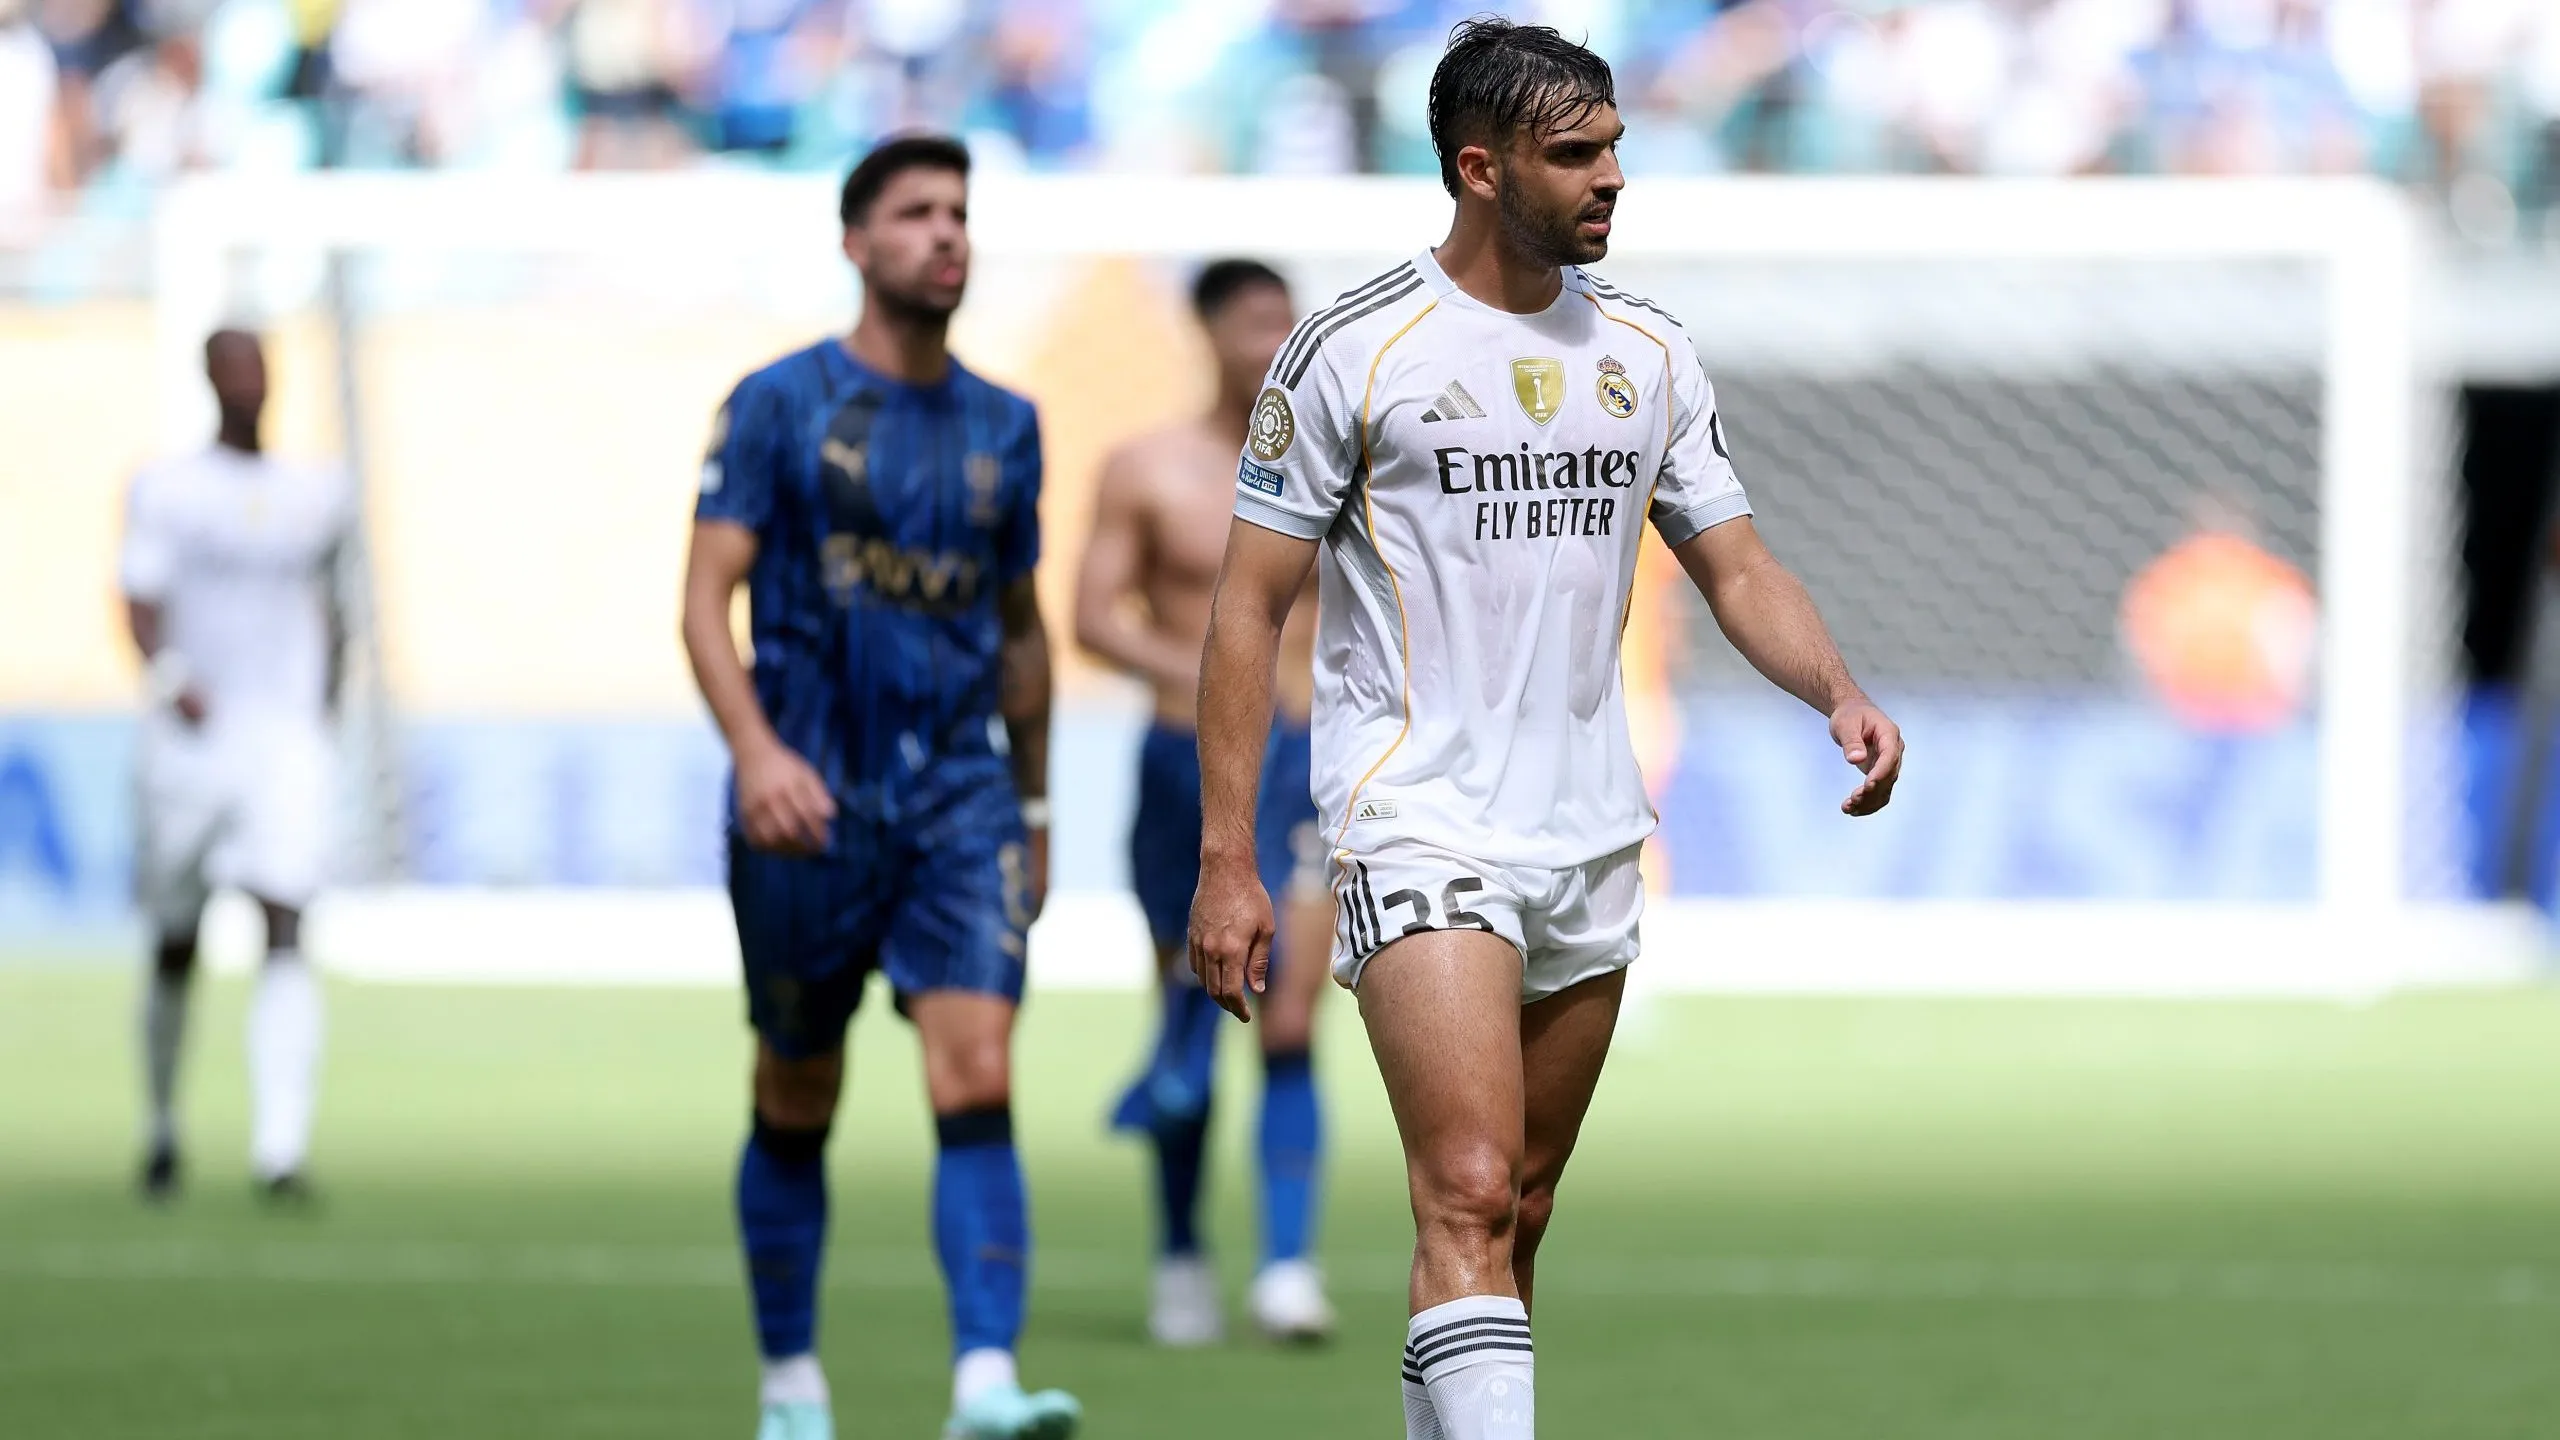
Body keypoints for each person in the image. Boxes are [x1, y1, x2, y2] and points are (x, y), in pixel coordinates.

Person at [1186, 21, 1905, 1439]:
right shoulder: (1353, 350)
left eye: (1618, 144)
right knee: (1461, 1184)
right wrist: (1229, 858)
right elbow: (1244, 610)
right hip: (1415, 814)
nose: (1615, 178)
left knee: (1513, 1207)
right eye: (1577, 154)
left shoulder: (1645, 349)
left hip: (1589, 826)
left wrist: (1837, 689)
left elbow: (1738, 565)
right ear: (1478, 167)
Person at [679, 135, 1081, 1440]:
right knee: (797, 1086)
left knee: (977, 1066)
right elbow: (702, 602)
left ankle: (983, 1385)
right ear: (856, 242)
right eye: (915, 213)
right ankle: (792, 1386)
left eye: (959, 212)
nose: (945, 234)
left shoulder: (1008, 425)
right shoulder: (777, 403)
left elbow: (1021, 630)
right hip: (808, 797)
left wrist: (1031, 806)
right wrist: (755, 753)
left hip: (962, 801)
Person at [1074, 259, 1335, 1346]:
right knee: (1194, 1003)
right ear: (1209, 333)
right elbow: (1091, 616)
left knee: (1289, 1014)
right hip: (1184, 766)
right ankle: (1180, 1254)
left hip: (1313, 764)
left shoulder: (1341, 462)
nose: (1271, 339)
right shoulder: (1147, 468)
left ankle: (1286, 1267)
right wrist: (1195, 669)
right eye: (1252, 322)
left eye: (1287, 319)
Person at [121, 329, 352, 1206]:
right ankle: (162, 1127)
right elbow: (138, 599)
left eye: (261, 372)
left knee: (287, 918)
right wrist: (170, 678)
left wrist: (323, 708)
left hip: (282, 740)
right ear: (211, 383)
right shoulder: (169, 489)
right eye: (236, 373)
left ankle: (279, 1148)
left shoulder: (315, 493)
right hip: (190, 742)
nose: (252, 388)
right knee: (176, 938)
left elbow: (338, 609)